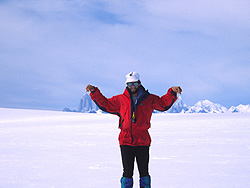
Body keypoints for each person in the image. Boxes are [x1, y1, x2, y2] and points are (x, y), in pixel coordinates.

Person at [86, 71, 182, 188]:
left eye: (135, 84)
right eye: (130, 84)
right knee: (127, 173)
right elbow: (105, 104)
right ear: (126, 85)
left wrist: (172, 92)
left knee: (144, 173)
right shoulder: (120, 100)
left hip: (142, 141)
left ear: (139, 84)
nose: (132, 87)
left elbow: (163, 104)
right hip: (126, 141)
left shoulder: (148, 99)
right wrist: (94, 92)